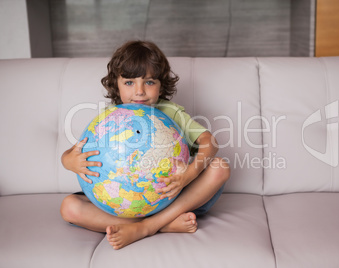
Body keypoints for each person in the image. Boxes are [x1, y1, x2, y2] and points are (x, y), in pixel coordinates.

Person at [60, 40, 230, 250]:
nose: (139, 91)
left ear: (161, 85)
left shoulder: (171, 112)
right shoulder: (112, 118)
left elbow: (210, 142)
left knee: (220, 167)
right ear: (116, 84)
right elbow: (71, 153)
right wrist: (69, 161)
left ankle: (149, 226)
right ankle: (161, 225)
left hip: (176, 199)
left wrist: (190, 173)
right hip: (126, 205)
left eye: (149, 82)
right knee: (69, 207)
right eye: (129, 83)